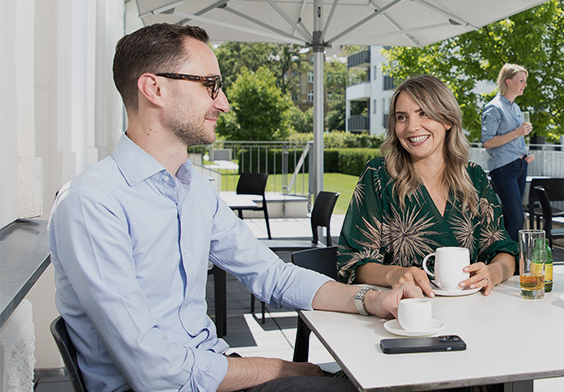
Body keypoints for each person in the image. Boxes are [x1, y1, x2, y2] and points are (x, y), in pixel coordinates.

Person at [48, 23, 421, 392]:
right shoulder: (92, 204)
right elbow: (157, 373)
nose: (223, 102)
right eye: (209, 84)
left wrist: (370, 299)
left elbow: (273, 276)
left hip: (211, 368)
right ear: (154, 88)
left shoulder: (193, 190)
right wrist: (283, 369)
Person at [337, 75, 518, 298]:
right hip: (401, 314)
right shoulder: (379, 176)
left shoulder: (474, 178)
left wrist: (494, 271)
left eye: (424, 113)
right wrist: (393, 274)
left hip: (469, 311)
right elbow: (353, 261)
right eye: (402, 117)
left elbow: (504, 250)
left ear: (447, 120)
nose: (412, 127)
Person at [480, 63, 535, 241]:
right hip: (504, 169)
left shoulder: (516, 108)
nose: (525, 85)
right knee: (518, 219)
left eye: (525, 81)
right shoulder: (494, 108)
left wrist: (524, 157)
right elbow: (488, 142)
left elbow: (514, 139)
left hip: (519, 166)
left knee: (511, 217)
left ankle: (502, 258)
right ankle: (509, 262)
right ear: (508, 82)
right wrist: (517, 132)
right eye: (521, 80)